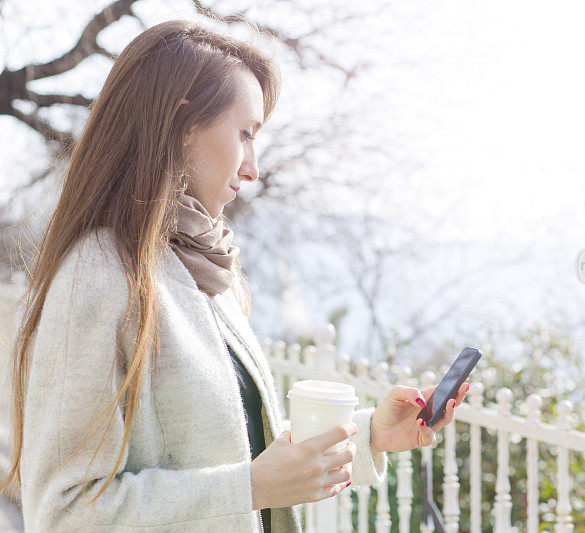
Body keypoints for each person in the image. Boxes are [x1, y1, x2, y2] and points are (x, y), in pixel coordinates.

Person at [0, 19, 469, 533]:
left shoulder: (201, 268)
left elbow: (222, 443)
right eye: (244, 133)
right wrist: (248, 488)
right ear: (178, 125)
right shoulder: (97, 276)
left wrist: (371, 435)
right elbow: (63, 513)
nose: (253, 168)